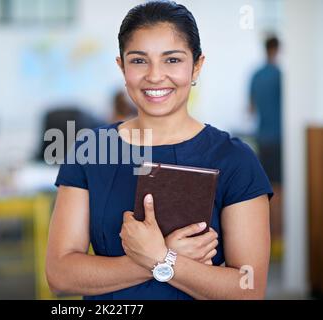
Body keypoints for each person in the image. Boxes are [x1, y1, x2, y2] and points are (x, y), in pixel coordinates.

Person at [46, 1, 272, 300]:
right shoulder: (91, 150)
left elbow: (249, 290)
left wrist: (162, 258)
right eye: (139, 61)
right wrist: (158, 259)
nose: (154, 76)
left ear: (197, 66)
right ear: (122, 67)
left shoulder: (235, 159)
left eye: (172, 60)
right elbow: (60, 276)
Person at [249, 36, 283, 259]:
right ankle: (278, 243)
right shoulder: (280, 76)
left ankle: (267, 241)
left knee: (267, 190)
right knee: (279, 191)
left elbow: (250, 108)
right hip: (279, 139)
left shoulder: (256, 75)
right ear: (277, 49)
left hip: (262, 138)